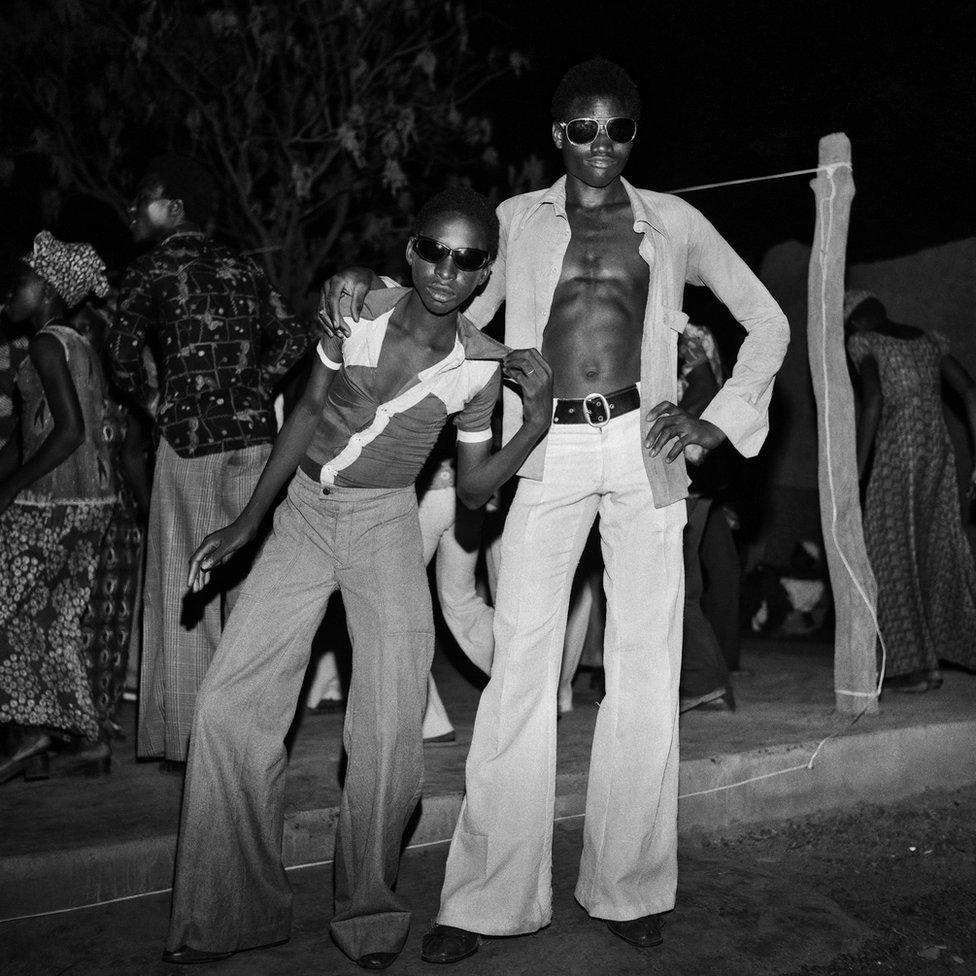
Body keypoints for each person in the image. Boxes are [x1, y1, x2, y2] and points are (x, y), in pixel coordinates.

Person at [321, 57, 788, 960]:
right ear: (557, 133)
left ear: (635, 135)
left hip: (642, 446)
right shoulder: (515, 222)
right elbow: (443, 306)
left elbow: (765, 320)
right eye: (583, 127)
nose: (600, 144)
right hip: (543, 448)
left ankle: (630, 886)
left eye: (617, 128)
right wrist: (359, 288)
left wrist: (715, 422)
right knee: (521, 673)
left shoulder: (675, 222)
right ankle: (488, 901)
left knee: (643, 670)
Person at [161, 187, 553, 971]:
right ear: (411, 251)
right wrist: (245, 523)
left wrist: (535, 424)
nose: (448, 269)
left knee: (386, 733)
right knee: (226, 708)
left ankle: (368, 913)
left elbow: (474, 492)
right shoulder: (355, 306)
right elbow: (307, 409)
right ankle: (228, 913)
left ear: (484, 276)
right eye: (435, 251)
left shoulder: (479, 368)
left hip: (384, 527)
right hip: (303, 513)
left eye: (468, 259)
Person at [108, 154, 311, 769]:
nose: (131, 210)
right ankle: (242, 734)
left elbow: (119, 353)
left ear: (174, 209)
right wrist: (252, 384)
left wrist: (155, 404)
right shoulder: (239, 268)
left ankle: (192, 741)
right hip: (252, 440)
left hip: (189, 443)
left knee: (185, 588)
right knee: (245, 588)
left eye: (142, 198)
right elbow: (296, 338)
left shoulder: (151, 269)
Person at [0, 232, 117, 782]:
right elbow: (37, 432)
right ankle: (86, 739)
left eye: (18, 283)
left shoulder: (47, 344)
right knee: (53, 619)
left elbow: (67, 432)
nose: (7, 294)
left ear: (46, 289)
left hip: (51, 503)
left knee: (13, 613)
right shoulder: (77, 341)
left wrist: (11, 487)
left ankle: (28, 731)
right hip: (91, 500)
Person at [845, 289, 976, 691]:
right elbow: (971, 392)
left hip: (895, 454)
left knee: (887, 553)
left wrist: (859, 467)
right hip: (937, 453)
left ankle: (909, 668)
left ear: (854, 322)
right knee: (932, 548)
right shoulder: (928, 341)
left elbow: (873, 401)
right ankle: (930, 662)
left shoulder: (863, 342)